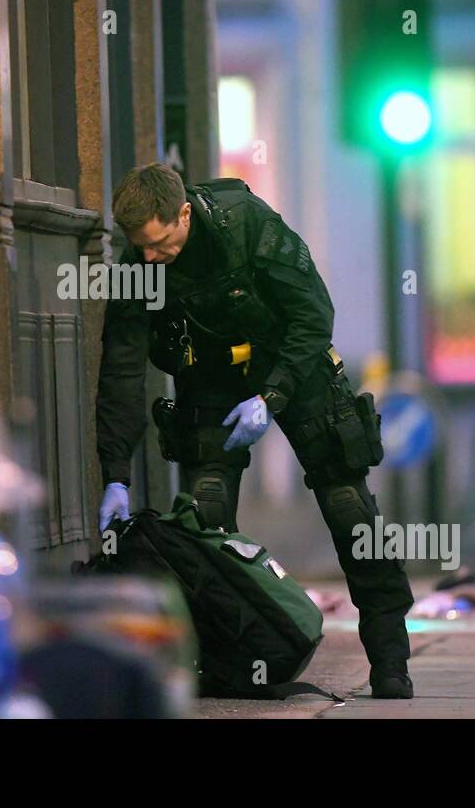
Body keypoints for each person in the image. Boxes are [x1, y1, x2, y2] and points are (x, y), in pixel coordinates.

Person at [95, 162, 414, 699]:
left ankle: (390, 660)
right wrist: (116, 475)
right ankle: (233, 664)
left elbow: (313, 314)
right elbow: (122, 372)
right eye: (139, 247)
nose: (150, 258)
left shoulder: (248, 225)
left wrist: (271, 397)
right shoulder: (139, 266)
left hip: (294, 363)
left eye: (159, 243)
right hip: (211, 375)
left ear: (184, 214)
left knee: (348, 507)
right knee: (207, 517)